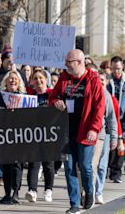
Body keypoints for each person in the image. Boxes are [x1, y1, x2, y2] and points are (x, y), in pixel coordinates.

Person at [49, 49, 105, 214]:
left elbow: (99, 107)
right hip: (66, 132)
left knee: (85, 166)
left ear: (79, 63)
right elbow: (52, 97)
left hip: (86, 130)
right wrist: (56, 102)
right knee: (69, 168)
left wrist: (94, 129)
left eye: (68, 62)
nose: (65, 65)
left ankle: (89, 192)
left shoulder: (93, 80)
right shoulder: (64, 78)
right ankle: (74, 203)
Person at [0, 70, 27, 205]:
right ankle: (7, 193)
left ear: (19, 82)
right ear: (5, 82)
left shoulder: (25, 97)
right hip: (3, 136)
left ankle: (15, 192)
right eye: (10, 79)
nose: (13, 81)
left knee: (17, 166)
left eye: (15, 79)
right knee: (6, 166)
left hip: (19, 136)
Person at [24, 70, 55, 202]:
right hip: (34, 133)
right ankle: (32, 190)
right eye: (35, 78)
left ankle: (48, 189)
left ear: (46, 79)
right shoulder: (30, 95)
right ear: (32, 81)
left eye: (41, 78)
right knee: (33, 163)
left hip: (50, 134)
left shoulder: (52, 94)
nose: (38, 81)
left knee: (48, 163)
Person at [94, 71, 119, 204]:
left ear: (107, 82)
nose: (100, 81)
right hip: (90, 135)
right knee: (92, 165)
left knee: (102, 165)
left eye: (103, 79)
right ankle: (90, 191)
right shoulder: (91, 93)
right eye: (98, 79)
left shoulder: (108, 97)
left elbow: (112, 119)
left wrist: (115, 138)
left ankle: (99, 192)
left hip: (105, 135)